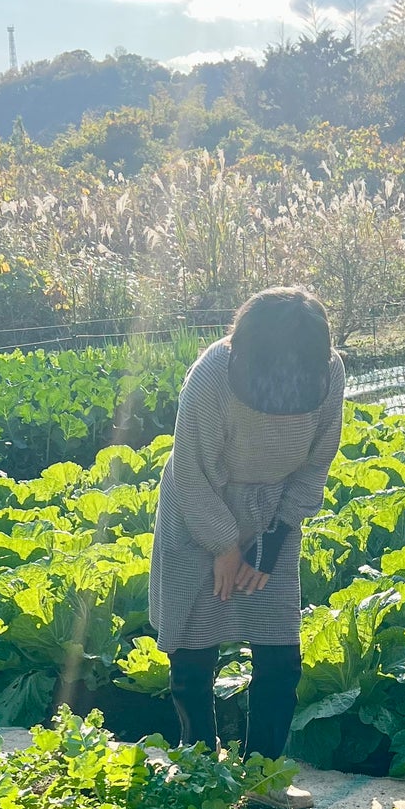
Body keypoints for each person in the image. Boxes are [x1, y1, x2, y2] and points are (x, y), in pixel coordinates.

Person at [149, 286, 345, 766]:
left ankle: (264, 771)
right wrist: (223, 544)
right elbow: (191, 467)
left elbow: (318, 459)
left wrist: (274, 539)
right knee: (193, 645)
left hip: (272, 512)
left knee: (280, 652)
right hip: (200, 507)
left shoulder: (328, 371)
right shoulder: (214, 373)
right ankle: (198, 758)